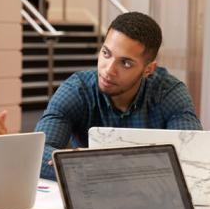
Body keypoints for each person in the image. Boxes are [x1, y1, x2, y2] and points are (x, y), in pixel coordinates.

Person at [34, 11, 202, 180]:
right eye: (106, 53)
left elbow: (194, 158)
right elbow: (38, 152)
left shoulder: (169, 93)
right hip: (93, 192)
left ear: (148, 69)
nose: (108, 70)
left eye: (126, 63)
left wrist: (84, 165)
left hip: (152, 198)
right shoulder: (78, 90)